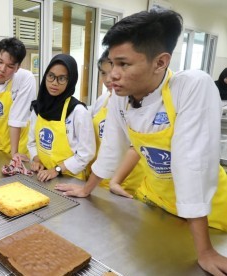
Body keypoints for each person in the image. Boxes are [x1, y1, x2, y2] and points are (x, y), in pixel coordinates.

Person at [55, 9, 227, 275]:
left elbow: (192, 164)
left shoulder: (192, 87)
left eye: (124, 64)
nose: (112, 74)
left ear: (160, 62)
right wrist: (87, 189)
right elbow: (112, 149)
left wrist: (204, 251)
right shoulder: (120, 98)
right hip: (157, 202)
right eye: (112, 64)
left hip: (207, 211)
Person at [28, 54, 95, 182]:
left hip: (70, 179)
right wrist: (36, 159)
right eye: (51, 76)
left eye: (62, 78)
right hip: (42, 174)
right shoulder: (38, 107)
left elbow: (86, 153)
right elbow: (31, 142)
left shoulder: (78, 112)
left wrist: (56, 170)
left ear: (71, 80)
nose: (54, 82)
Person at [88, 50, 143, 197]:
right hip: (100, 177)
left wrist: (116, 181)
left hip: (128, 182)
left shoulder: (138, 103)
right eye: (103, 73)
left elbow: (136, 147)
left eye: (111, 71)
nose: (108, 79)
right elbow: (108, 146)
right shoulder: (102, 101)